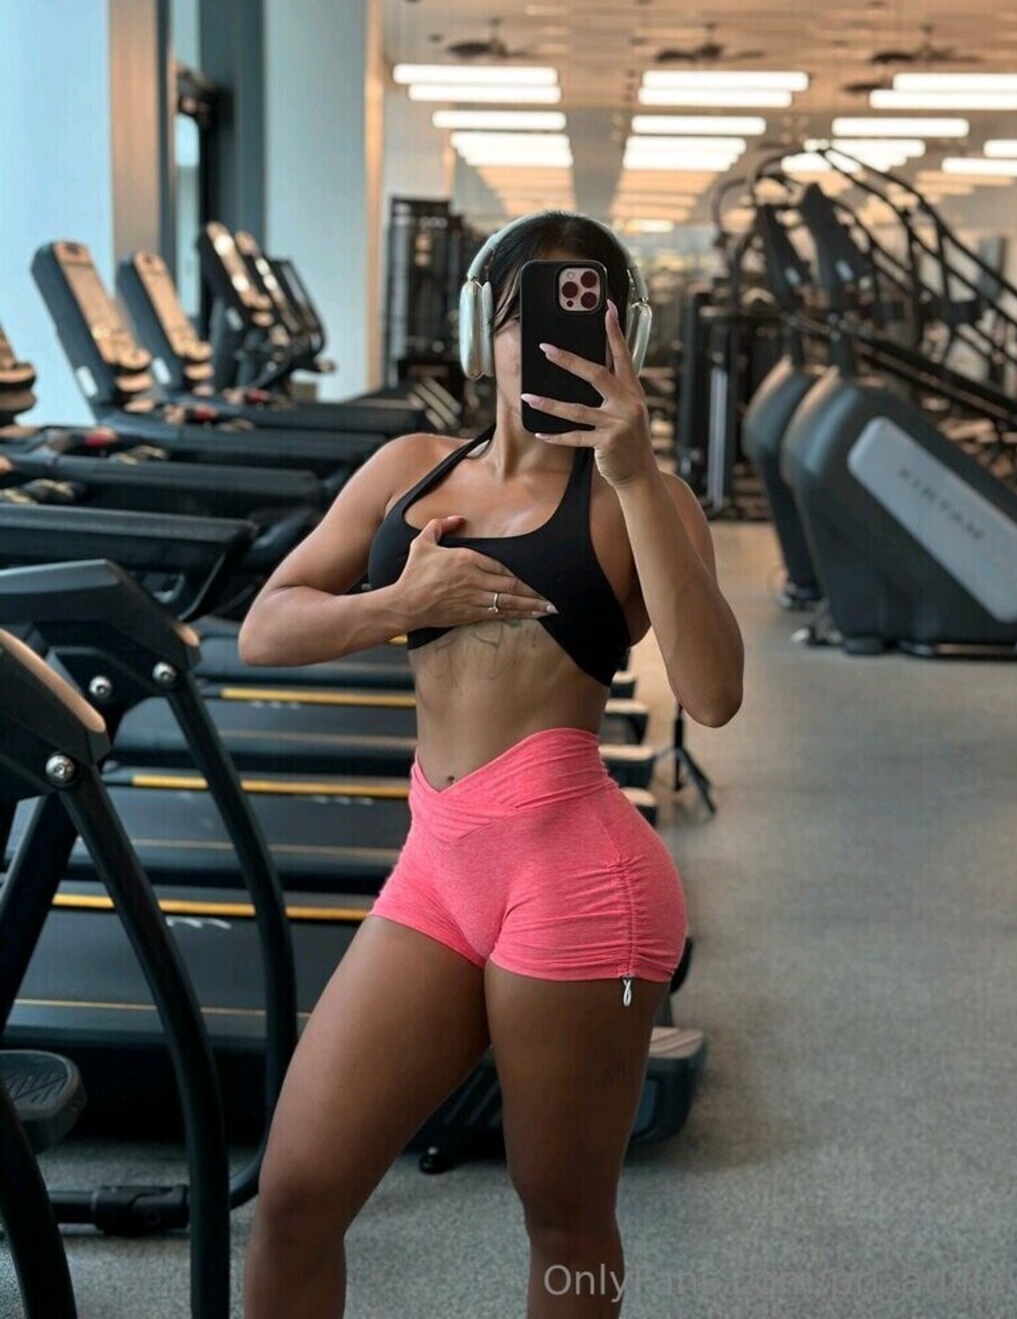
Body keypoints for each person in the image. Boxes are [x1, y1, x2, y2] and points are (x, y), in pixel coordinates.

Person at [239, 211, 744, 1318]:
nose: (546, 346)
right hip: (438, 868)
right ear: (485, 333)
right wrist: (398, 602)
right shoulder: (409, 468)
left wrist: (636, 472)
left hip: (578, 879)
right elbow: (265, 629)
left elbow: (712, 693)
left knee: (563, 1219)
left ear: (623, 342)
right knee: (296, 1192)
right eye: (523, 318)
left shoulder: (639, 499)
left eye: (580, 323)